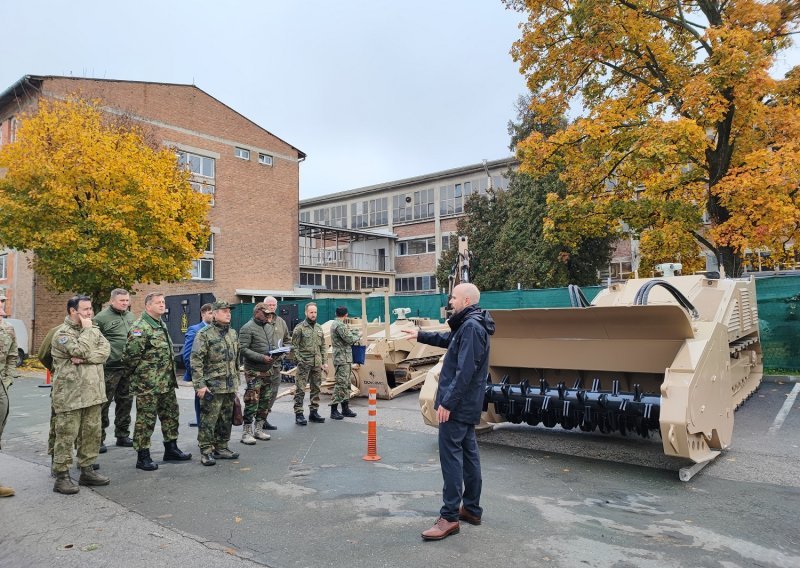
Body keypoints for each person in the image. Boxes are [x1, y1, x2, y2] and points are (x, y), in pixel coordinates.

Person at [402, 283, 494, 541]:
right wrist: (419, 334)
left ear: (466, 300)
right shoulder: (470, 324)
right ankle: (472, 509)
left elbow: (465, 371)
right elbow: (449, 341)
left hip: (459, 406)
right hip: (466, 405)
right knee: (468, 454)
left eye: (453, 297)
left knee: (452, 458)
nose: (449, 301)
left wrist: (448, 403)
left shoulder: (472, 327)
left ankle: (449, 517)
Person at [50, 296, 112, 494]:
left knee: (91, 434)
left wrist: (86, 359)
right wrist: (87, 332)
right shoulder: (62, 334)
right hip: (70, 395)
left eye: (90, 309)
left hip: (93, 393)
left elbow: (105, 351)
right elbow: (80, 349)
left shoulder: (93, 329)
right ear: (72, 311)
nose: (89, 313)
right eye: (85, 310)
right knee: (66, 436)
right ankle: (61, 476)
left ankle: (87, 470)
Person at [123, 292, 191, 471]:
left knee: (170, 416)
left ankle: (171, 449)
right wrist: (140, 378)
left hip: (166, 382)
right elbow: (130, 357)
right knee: (146, 420)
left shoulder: (161, 325)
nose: (162, 305)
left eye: (163, 302)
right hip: (148, 385)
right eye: (158, 303)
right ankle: (143, 456)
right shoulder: (140, 327)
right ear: (148, 306)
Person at [190, 300, 240, 466]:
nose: (228, 313)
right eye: (224, 311)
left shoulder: (232, 333)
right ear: (215, 313)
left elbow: (236, 359)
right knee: (209, 420)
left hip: (229, 385)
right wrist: (200, 385)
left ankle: (222, 447)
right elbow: (196, 361)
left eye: (229, 311)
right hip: (212, 386)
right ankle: (206, 451)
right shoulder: (204, 334)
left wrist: (237, 383)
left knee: (226, 418)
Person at [238, 297, 290, 443]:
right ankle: (246, 433)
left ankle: (259, 429)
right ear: (257, 313)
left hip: (268, 370)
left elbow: (272, 345)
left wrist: (278, 352)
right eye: (265, 313)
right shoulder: (247, 328)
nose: (269, 316)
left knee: (265, 401)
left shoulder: (268, 327)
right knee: (252, 401)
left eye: (270, 313)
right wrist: (261, 357)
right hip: (254, 371)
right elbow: (243, 349)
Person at [93, 288, 136, 453]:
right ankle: (98, 439)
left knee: (125, 402)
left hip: (127, 368)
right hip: (109, 369)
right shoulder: (101, 318)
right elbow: (94, 341)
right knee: (103, 404)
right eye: (121, 301)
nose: (125, 303)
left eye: (127, 301)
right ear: (112, 301)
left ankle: (122, 435)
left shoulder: (131, 317)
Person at [291, 303, 328, 425]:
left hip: (316, 363)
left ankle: (313, 412)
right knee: (300, 389)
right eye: (311, 312)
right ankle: (299, 413)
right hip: (304, 363)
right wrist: (299, 360)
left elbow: (323, 345)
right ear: (306, 313)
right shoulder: (299, 328)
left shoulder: (319, 328)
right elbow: (294, 346)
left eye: (315, 312)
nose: (313, 314)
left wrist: (324, 361)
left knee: (316, 388)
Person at [0, 291, 20, 497]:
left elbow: (12, 356)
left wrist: (6, 380)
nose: (2, 305)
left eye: (3, 301)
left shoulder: (7, 329)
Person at [182, 303, 213, 428]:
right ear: (203, 314)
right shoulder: (195, 330)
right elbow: (187, 355)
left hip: (215, 377)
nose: (213, 315)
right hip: (201, 376)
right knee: (202, 405)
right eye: (211, 313)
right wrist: (195, 377)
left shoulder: (218, 330)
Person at [329, 306, 360, 420]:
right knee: (341, 384)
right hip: (342, 358)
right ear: (346, 314)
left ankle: (345, 408)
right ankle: (334, 409)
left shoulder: (336, 324)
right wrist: (357, 334)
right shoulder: (340, 325)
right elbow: (350, 339)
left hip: (344, 358)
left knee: (346, 383)